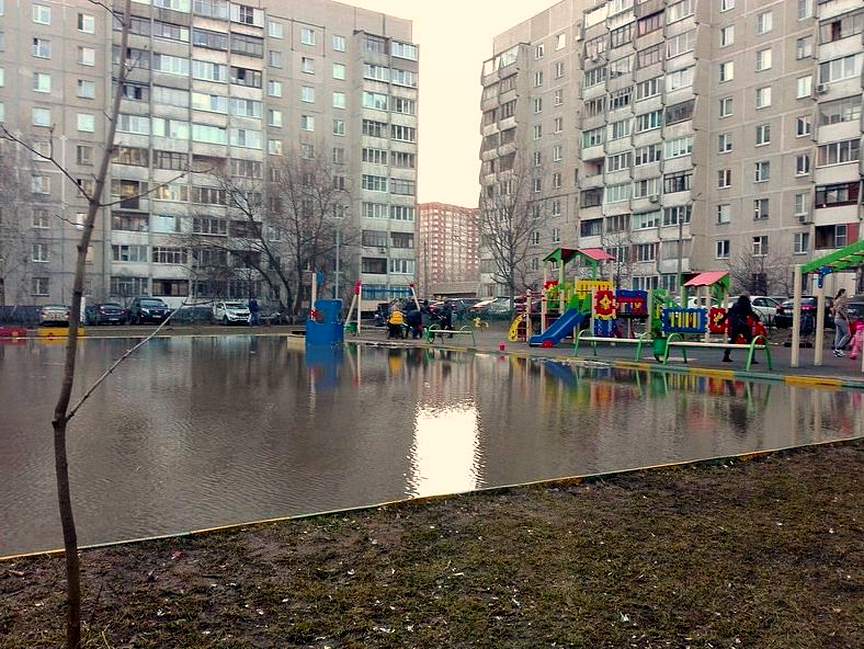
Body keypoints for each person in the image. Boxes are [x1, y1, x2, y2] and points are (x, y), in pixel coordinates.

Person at [719, 294, 760, 363]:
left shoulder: (735, 304)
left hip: (734, 324)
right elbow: (750, 312)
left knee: (732, 341)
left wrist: (721, 321)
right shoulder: (746, 303)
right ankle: (752, 358)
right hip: (743, 324)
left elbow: (729, 313)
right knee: (750, 340)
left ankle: (726, 355)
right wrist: (758, 320)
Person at [832, 288, 851, 357]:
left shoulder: (836, 300)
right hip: (841, 319)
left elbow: (834, 309)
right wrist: (845, 317)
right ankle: (839, 347)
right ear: (842, 293)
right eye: (845, 293)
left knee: (839, 334)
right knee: (847, 334)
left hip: (836, 318)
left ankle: (836, 349)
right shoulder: (842, 301)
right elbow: (840, 309)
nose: (846, 294)